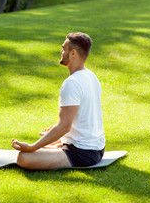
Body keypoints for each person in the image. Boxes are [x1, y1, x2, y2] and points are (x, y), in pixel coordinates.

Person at [12, 32, 105, 170]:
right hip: (96, 147)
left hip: (83, 152)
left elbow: (64, 126)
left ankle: (48, 146)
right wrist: (56, 136)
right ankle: (55, 144)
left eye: (64, 48)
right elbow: (80, 119)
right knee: (46, 142)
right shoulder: (91, 76)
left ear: (73, 53)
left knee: (24, 158)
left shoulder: (72, 83)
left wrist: (33, 147)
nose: (61, 51)